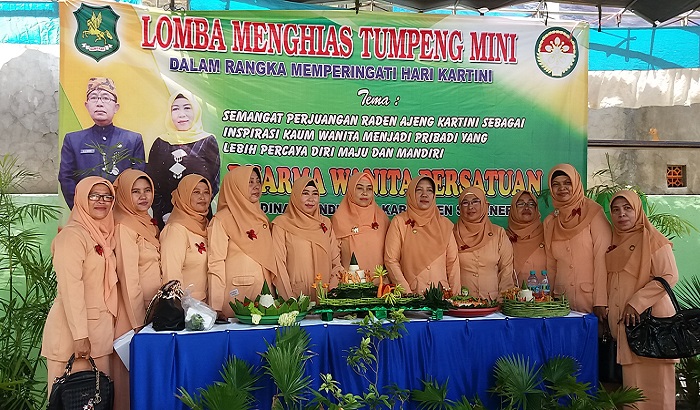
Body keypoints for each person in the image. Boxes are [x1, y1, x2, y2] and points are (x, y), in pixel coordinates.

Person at [42, 177, 118, 393]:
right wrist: (80, 336)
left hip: (100, 335)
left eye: (107, 196)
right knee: (69, 401)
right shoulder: (71, 236)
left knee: (97, 401)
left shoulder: (104, 235)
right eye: (94, 196)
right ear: (82, 199)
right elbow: (70, 288)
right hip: (73, 338)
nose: (101, 201)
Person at [605, 190, 678, 409]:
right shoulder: (614, 240)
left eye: (627, 208)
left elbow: (669, 276)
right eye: (616, 210)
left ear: (637, 210)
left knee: (658, 385)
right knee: (633, 388)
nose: (622, 215)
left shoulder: (653, 239)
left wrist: (635, 303)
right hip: (628, 326)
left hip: (653, 323)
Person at [111, 169, 161, 410]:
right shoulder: (124, 225)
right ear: (123, 194)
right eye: (135, 191)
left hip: (151, 309)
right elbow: (129, 277)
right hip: (133, 316)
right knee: (128, 379)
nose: (143, 197)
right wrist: (139, 322)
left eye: (147, 190)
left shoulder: (146, 222)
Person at [208, 166, 286, 318]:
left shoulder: (261, 217)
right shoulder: (222, 220)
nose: (256, 186)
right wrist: (215, 306)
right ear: (236, 187)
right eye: (249, 182)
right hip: (237, 297)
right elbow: (215, 263)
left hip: (265, 295)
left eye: (258, 181)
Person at [59, 77, 145, 209]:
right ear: (86, 105)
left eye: (105, 98)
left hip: (122, 212)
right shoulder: (73, 140)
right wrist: (80, 208)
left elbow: (137, 179)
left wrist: (125, 209)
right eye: (94, 98)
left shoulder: (132, 140)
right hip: (86, 212)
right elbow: (66, 177)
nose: (99, 103)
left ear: (116, 107)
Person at [543, 163, 611, 315]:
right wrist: (549, 299)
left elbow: (602, 258)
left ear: (576, 183)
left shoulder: (594, 213)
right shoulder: (550, 222)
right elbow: (551, 265)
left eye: (567, 183)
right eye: (556, 185)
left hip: (591, 302)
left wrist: (600, 301)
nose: (562, 188)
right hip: (561, 304)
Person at [146, 90, 220, 228]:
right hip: (166, 218)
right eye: (175, 109)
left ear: (196, 111)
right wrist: (163, 212)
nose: (181, 114)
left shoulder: (207, 141)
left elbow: (213, 184)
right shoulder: (161, 142)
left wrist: (194, 212)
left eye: (187, 108)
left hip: (199, 217)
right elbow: (152, 183)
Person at [384, 176, 460, 294]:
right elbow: (391, 260)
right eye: (419, 190)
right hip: (413, 296)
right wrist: (408, 295)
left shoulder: (445, 224)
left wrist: (455, 298)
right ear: (411, 194)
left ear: (434, 195)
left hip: (441, 298)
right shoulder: (399, 222)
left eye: (429, 190)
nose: (424, 194)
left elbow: (452, 263)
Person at [272, 176, 342, 299]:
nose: (311, 199)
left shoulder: (325, 223)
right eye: (305, 193)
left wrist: (332, 293)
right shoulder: (282, 223)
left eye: (315, 194)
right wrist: (289, 300)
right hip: (296, 297)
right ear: (295, 196)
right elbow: (279, 266)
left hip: (325, 297)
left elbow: (336, 262)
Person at [454, 186, 515, 299]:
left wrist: (503, 301)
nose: (470, 207)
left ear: (484, 205)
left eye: (475, 201)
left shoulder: (498, 233)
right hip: (461, 303)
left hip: (493, 304)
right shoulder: (452, 234)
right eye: (465, 203)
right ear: (460, 208)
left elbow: (506, 270)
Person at [160, 174, 212, 302]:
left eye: (206, 192)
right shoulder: (176, 229)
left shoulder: (208, 226)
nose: (202, 197)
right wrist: (179, 308)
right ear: (185, 195)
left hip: (205, 309)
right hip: (186, 309)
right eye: (196, 192)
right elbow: (171, 277)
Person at [331, 171, 390, 272]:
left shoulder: (382, 218)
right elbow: (334, 258)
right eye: (359, 188)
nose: (365, 193)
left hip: (379, 283)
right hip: (350, 283)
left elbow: (391, 255)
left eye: (369, 189)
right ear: (351, 190)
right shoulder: (339, 219)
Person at [507, 190, 546, 285]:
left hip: (544, 295)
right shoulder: (504, 237)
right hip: (512, 297)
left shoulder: (547, 233)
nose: (526, 207)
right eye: (520, 204)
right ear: (513, 209)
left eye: (531, 204)